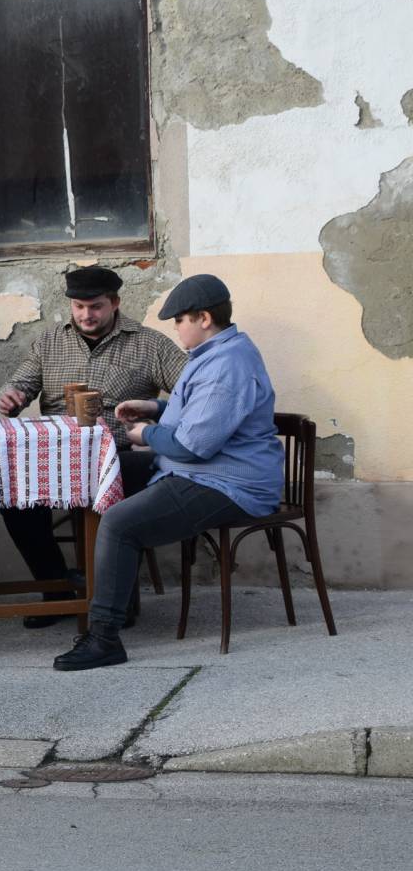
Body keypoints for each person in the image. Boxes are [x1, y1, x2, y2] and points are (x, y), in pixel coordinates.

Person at [54, 275, 282, 671]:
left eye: (179, 320)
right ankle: (113, 594)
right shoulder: (213, 355)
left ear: (204, 318)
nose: (176, 328)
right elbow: (199, 415)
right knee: (105, 473)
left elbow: (193, 445)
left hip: (224, 481)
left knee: (120, 522)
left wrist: (147, 433)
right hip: (200, 470)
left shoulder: (227, 364)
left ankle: (104, 636)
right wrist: (153, 408)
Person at [0, 266, 187, 627]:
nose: (86, 315)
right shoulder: (49, 342)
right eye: (79, 306)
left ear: (115, 303)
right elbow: (20, 383)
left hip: (117, 454)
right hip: (55, 456)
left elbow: (193, 391)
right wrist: (11, 396)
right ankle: (57, 590)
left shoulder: (150, 343)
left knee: (122, 488)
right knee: (12, 492)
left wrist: (157, 426)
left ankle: (116, 598)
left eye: (95, 306)